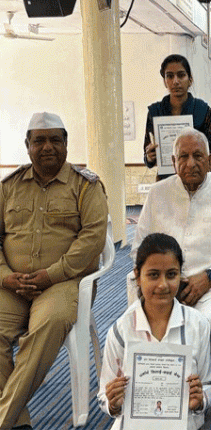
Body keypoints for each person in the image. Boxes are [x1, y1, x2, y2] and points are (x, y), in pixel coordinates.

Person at [0, 112, 109, 429]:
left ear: (65, 143)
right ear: (27, 145)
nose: (47, 147)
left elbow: (92, 240)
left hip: (61, 283)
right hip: (12, 285)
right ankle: (17, 422)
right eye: (39, 140)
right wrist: (6, 276)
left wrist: (51, 274)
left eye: (55, 140)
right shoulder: (8, 188)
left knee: (50, 325)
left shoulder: (85, 185)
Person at [132, 128, 211, 364]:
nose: (191, 163)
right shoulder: (158, 194)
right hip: (164, 287)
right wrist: (167, 280)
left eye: (198, 156)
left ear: (209, 161)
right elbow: (139, 250)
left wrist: (210, 276)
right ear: (173, 162)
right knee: (146, 330)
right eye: (183, 157)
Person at [99, 233, 211, 430]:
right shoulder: (121, 330)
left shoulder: (198, 326)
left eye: (171, 274)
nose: (163, 284)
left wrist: (200, 399)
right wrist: (112, 403)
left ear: (181, 275)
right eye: (153, 275)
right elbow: (103, 395)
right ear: (137, 276)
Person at [143, 54, 211, 180]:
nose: (175, 81)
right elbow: (147, 158)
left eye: (181, 75)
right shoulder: (155, 112)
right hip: (167, 181)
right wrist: (150, 157)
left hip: (197, 180)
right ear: (164, 81)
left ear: (190, 79)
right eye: (170, 76)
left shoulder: (202, 110)